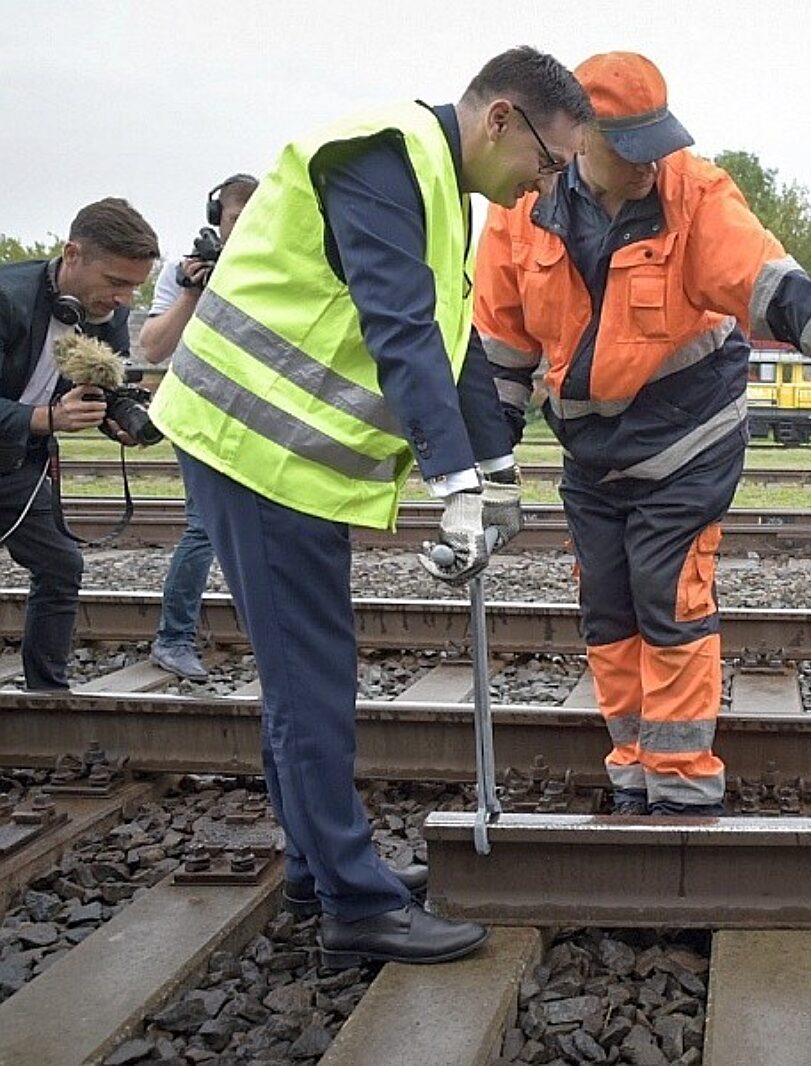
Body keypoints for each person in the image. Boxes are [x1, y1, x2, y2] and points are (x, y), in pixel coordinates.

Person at [148, 46, 593, 966]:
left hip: (277, 457)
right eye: (548, 163)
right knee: (312, 680)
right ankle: (355, 905)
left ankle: (320, 870)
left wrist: (495, 468)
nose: (544, 187)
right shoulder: (382, 158)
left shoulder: (438, 185)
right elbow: (399, 326)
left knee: (302, 673)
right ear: (501, 119)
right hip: (253, 445)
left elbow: (450, 341)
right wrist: (452, 484)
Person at [473, 52, 811, 817]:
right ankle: (634, 771)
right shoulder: (521, 208)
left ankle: (682, 788)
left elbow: (790, 295)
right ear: (580, 138)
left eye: (658, 144)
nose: (650, 164)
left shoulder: (695, 196)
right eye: (631, 148)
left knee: (666, 596)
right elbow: (502, 352)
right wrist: (487, 470)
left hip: (689, 437)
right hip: (591, 451)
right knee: (606, 610)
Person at [0, 199, 160, 691]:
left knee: (60, 566)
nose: (123, 298)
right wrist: (44, 418)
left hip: (18, 465)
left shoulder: (106, 314)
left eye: (133, 287)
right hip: (23, 439)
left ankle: (48, 695)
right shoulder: (6, 298)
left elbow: (104, 389)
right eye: (115, 282)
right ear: (72, 254)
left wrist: (118, 421)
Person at [140, 173, 259, 681]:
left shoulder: (270, 269)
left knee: (262, 528)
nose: (244, 227)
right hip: (198, 413)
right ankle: (173, 639)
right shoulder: (181, 274)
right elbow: (153, 348)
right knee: (204, 526)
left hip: (257, 416)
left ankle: (268, 638)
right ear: (217, 218)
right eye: (235, 218)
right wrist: (193, 293)